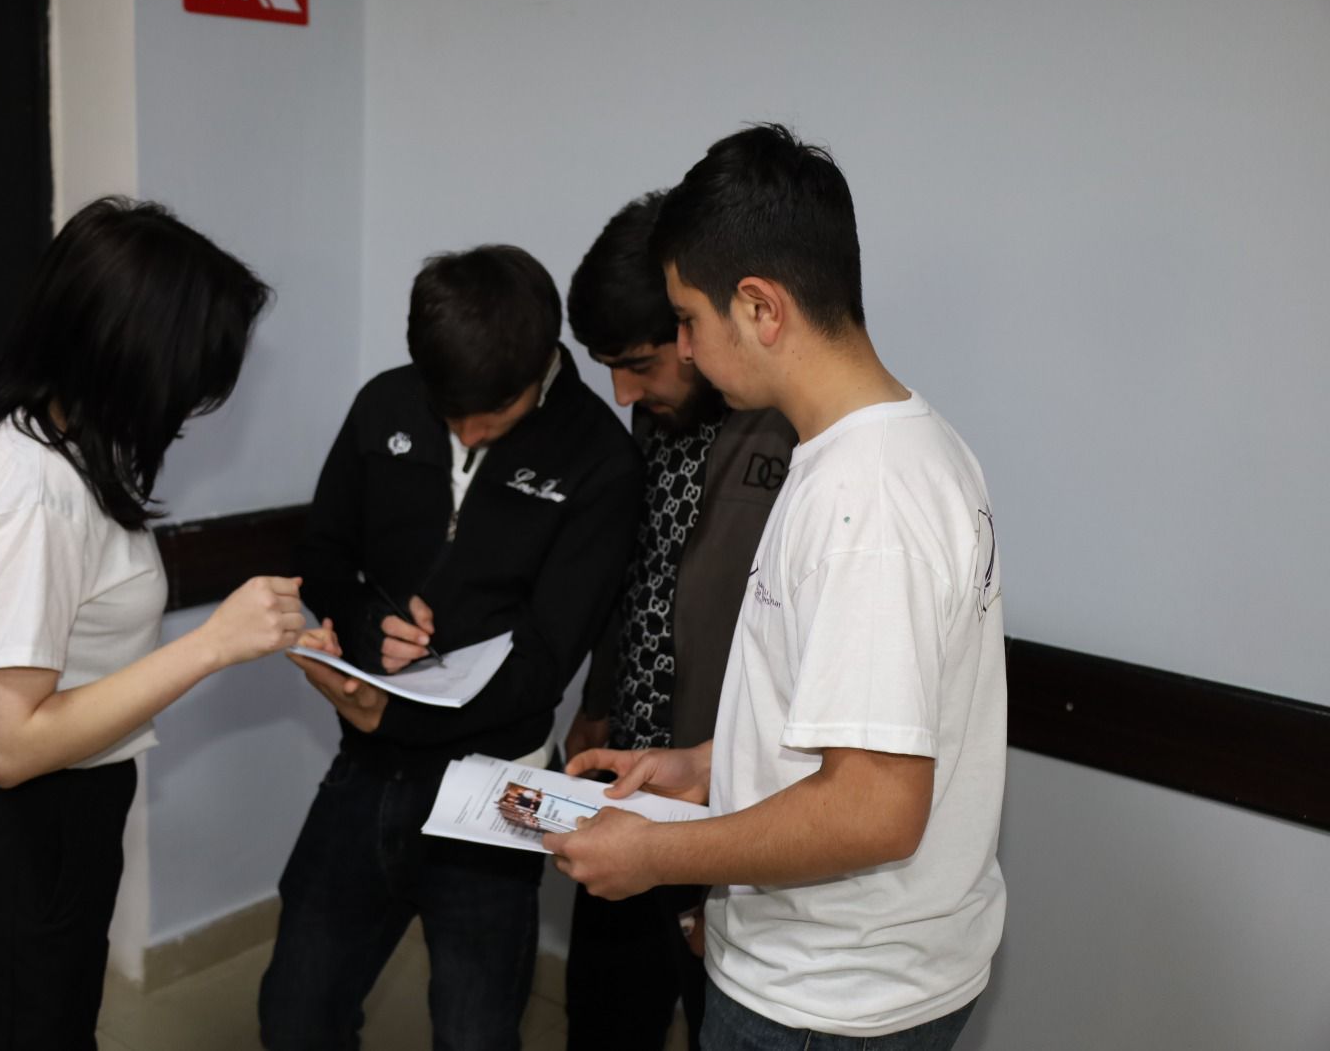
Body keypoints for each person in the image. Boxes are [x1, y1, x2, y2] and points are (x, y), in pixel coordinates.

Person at [0, 197, 324, 1049]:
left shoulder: (8, 425)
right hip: (12, 839)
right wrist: (213, 644)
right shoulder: (34, 493)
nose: (195, 400)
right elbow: (10, 748)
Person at [545, 125, 1007, 1050]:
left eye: (688, 319)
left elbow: (873, 808)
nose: (682, 348)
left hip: (825, 1000)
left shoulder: (865, 501)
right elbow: (847, 727)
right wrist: (706, 766)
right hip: (837, 975)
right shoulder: (886, 449)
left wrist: (657, 853)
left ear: (760, 307)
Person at [259, 244, 643, 1050]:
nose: (467, 431)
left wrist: (388, 714)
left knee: (475, 1033)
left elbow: (546, 660)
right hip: (367, 770)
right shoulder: (385, 404)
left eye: (491, 414)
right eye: (449, 410)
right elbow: (322, 553)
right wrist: (368, 624)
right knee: (295, 1013)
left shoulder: (600, 460)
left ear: (542, 365)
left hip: (497, 785)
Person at [560, 191, 797, 1051]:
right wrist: (599, 701)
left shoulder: (795, 431)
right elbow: (639, 575)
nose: (623, 392)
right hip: (630, 779)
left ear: (695, 326)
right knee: (603, 1019)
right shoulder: (653, 414)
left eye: (639, 362)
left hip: (729, 803)